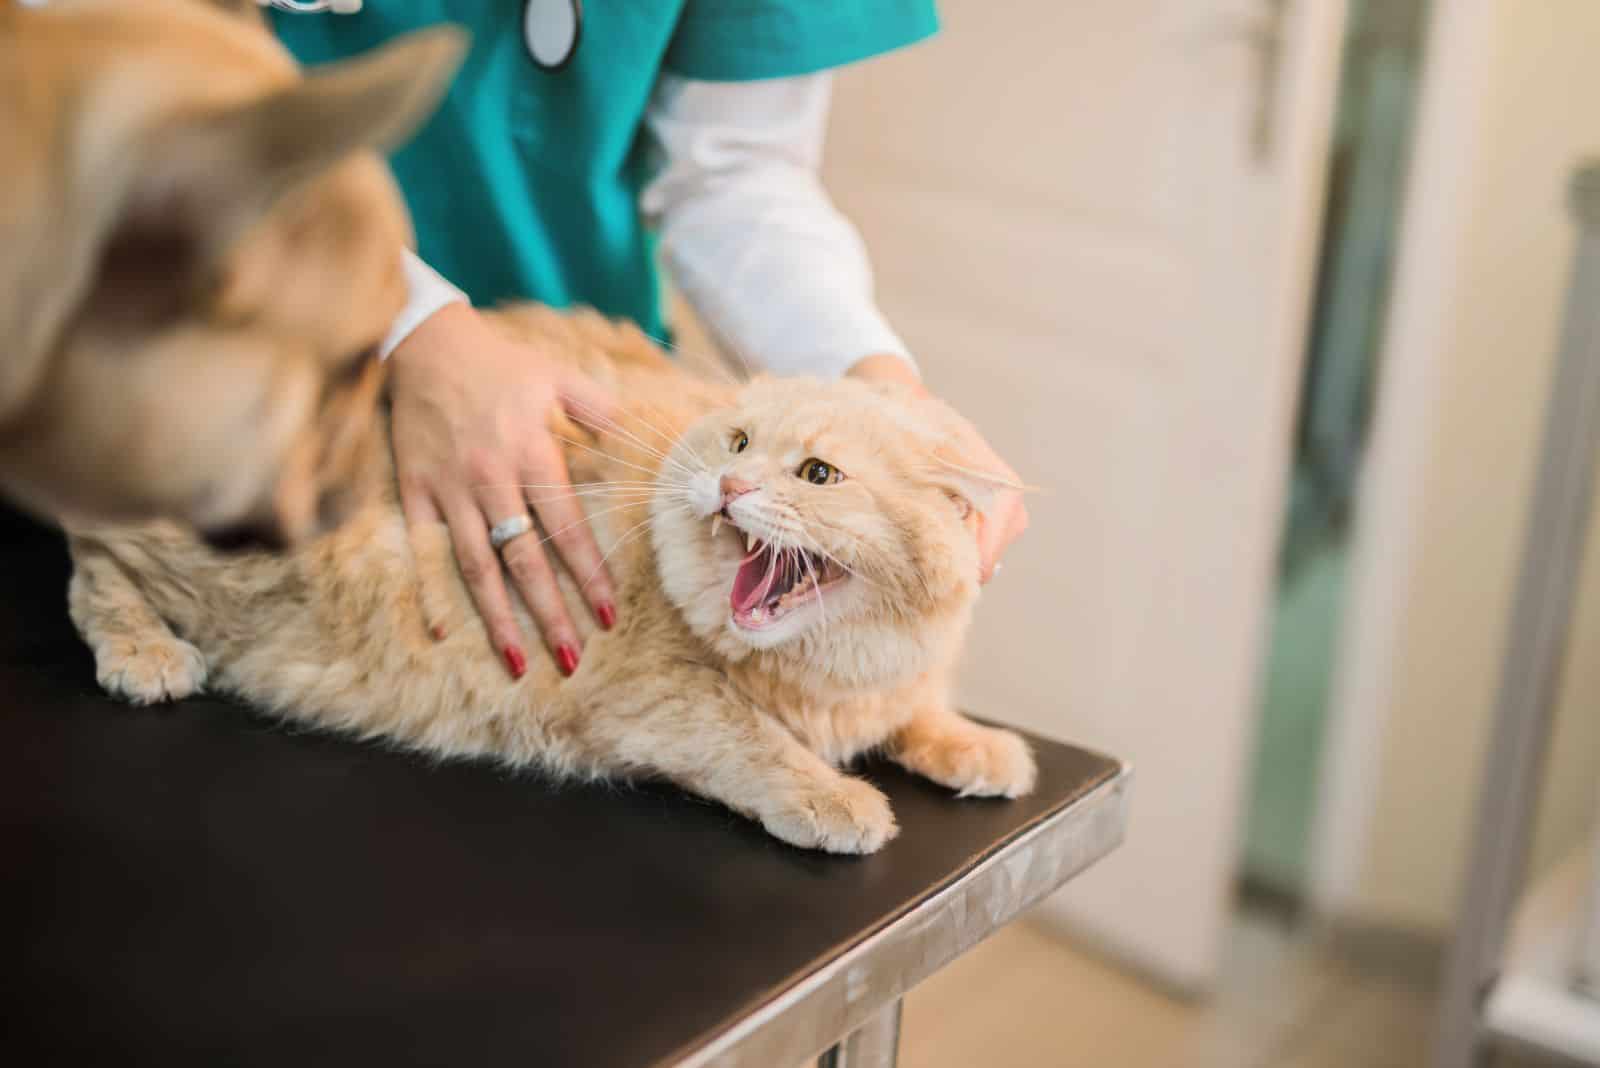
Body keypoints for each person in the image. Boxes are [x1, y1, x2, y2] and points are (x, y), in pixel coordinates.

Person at [265, 0, 1027, 679]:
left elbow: (731, 170)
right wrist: (410, 322)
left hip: (574, 416)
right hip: (249, 355)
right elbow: (158, 101)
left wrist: (877, 386)